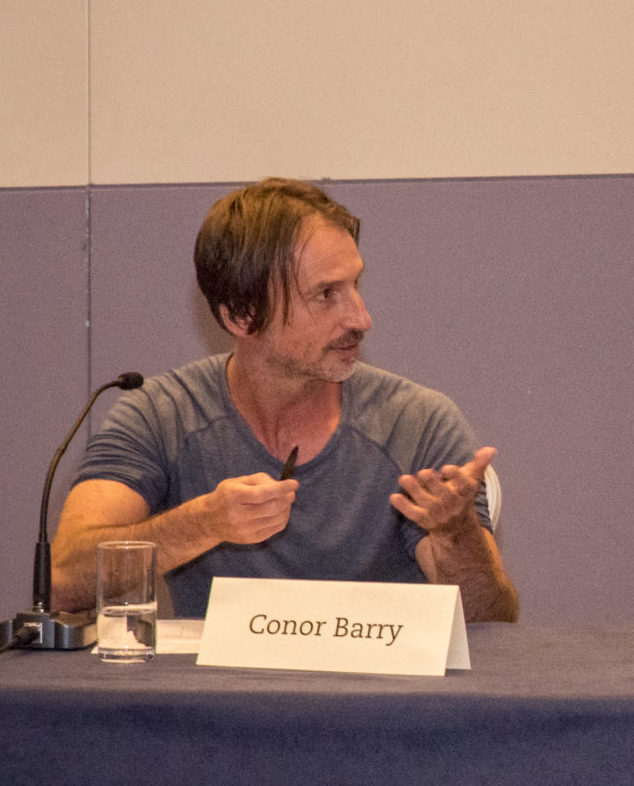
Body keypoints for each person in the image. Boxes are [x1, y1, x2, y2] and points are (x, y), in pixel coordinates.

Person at [52, 178, 517, 622]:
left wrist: (457, 533)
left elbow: (491, 619)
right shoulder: (161, 413)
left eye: (355, 285)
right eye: (326, 294)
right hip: (220, 701)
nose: (361, 316)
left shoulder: (417, 421)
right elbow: (64, 583)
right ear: (241, 314)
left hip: (381, 701)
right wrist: (204, 523)